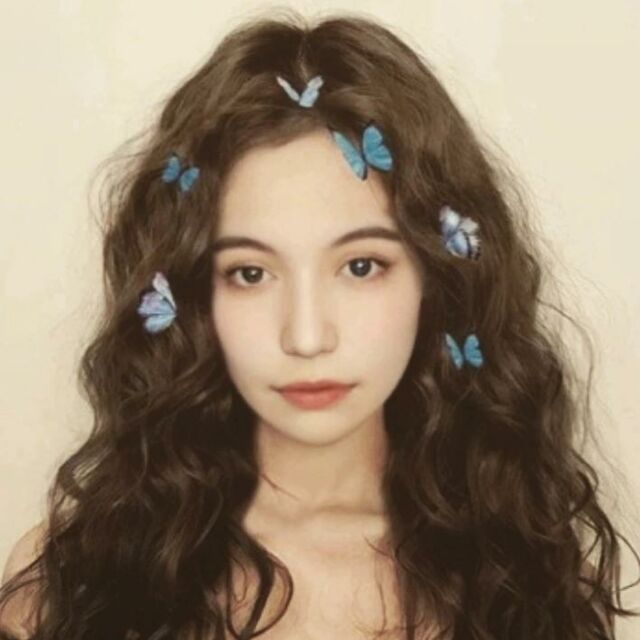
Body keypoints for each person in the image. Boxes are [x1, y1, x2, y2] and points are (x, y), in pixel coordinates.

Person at [0, 9, 636, 640]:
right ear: (192, 296)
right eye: (250, 273)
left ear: (437, 279)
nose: (306, 337)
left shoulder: (530, 585)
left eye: (361, 266)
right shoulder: (73, 580)